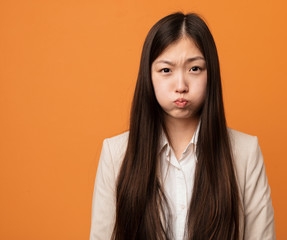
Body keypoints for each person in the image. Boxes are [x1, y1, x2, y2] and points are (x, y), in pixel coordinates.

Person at [90, 12, 275, 240]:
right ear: (149, 76)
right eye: (166, 70)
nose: (181, 85)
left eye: (194, 69)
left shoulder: (245, 152)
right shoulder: (116, 154)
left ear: (211, 73)